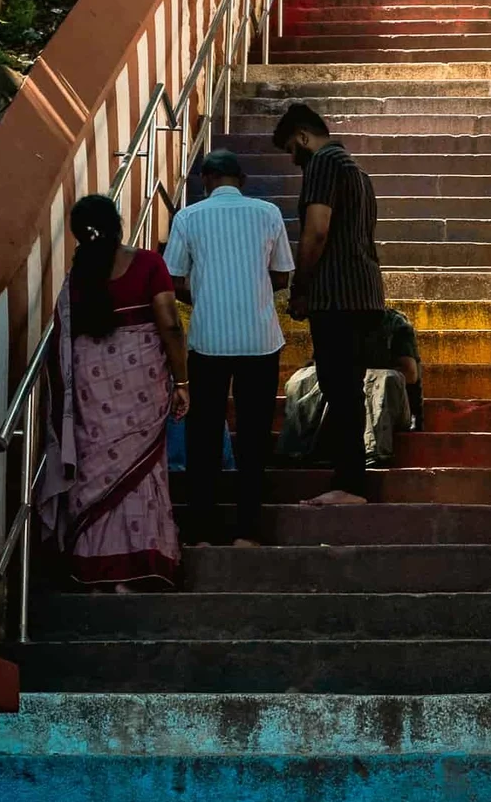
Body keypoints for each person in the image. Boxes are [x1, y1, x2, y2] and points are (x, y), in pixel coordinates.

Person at [39, 195, 188, 591]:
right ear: (117, 225)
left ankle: (94, 569)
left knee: (96, 471)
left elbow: (65, 340)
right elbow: (170, 324)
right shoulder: (147, 264)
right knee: (142, 472)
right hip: (144, 381)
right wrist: (183, 380)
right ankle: (138, 566)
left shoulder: (77, 277)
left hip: (91, 388)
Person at [162, 149, 294, 547]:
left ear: (205, 180)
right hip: (260, 340)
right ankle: (248, 532)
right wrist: (250, 293)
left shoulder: (188, 217)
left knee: (203, 438)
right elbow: (283, 275)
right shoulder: (268, 213)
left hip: (208, 342)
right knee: (254, 437)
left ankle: (202, 531)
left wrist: (204, 296)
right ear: (241, 180)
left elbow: (171, 280)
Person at [272, 102, 387, 506]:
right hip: (365, 294)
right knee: (349, 391)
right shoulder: (357, 171)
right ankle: (352, 480)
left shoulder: (322, 163)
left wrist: (300, 288)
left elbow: (317, 231)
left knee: (339, 391)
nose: (293, 158)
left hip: (335, 297)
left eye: (291, 148)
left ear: (304, 136)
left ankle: (349, 484)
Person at [278, 307, 424, 467]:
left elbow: (410, 374)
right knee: (302, 378)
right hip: (344, 401)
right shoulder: (336, 322)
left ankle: (373, 453)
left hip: (391, 405)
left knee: (384, 379)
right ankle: (297, 451)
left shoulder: (395, 322)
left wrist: (361, 375)